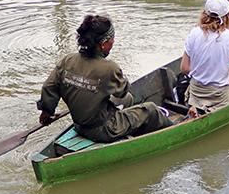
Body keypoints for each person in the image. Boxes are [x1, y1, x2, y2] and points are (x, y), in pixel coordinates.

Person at [37, 15, 173, 143]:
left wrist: (47, 112)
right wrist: (120, 77)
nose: (113, 42)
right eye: (112, 39)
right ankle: (174, 128)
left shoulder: (67, 60)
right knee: (150, 110)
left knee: (129, 99)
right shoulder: (109, 68)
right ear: (103, 44)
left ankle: (130, 128)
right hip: (103, 130)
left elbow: (50, 87)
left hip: (79, 126)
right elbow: (122, 91)